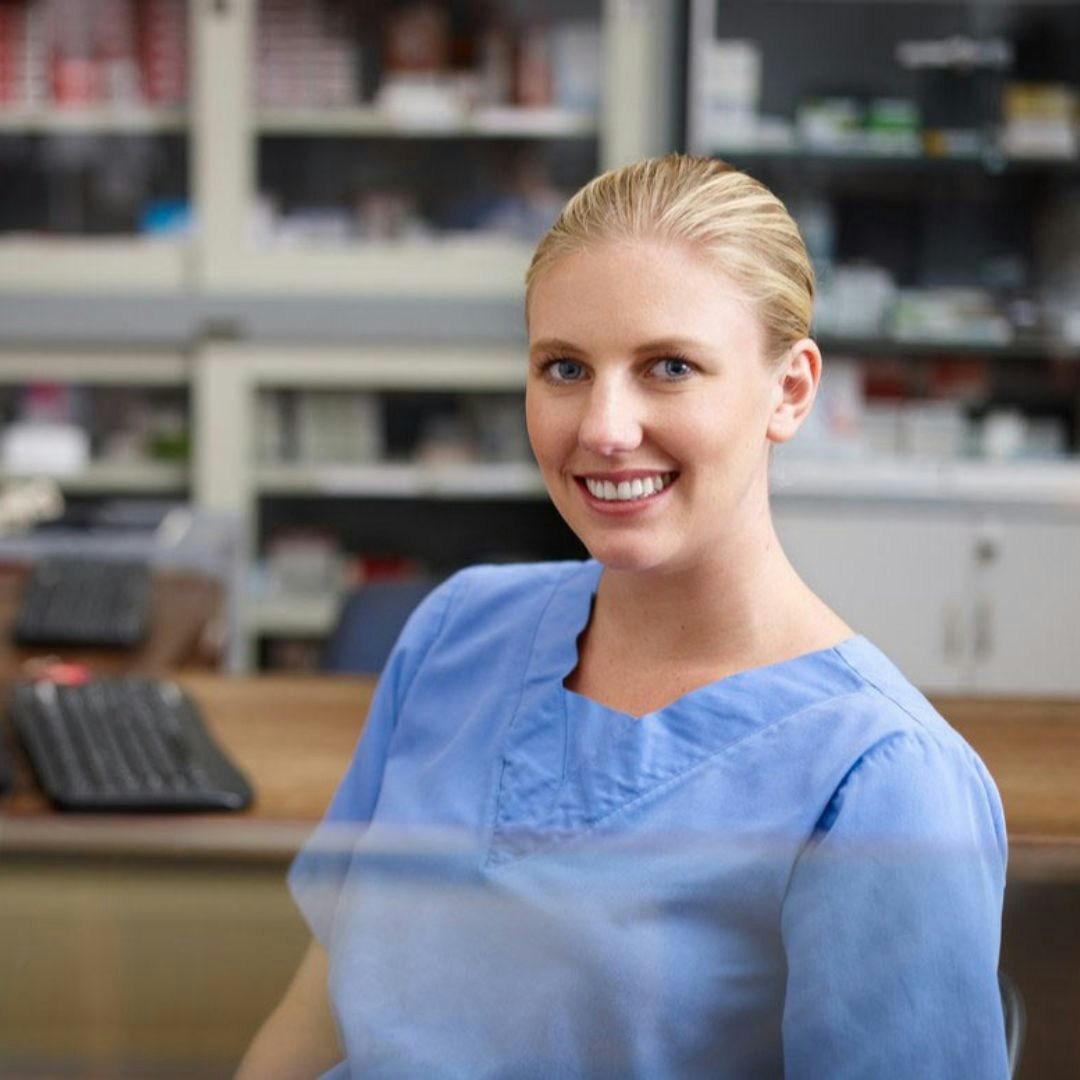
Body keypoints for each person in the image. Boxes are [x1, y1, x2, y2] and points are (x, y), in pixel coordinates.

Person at [237, 154, 1008, 1078]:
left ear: (790, 390)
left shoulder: (881, 783)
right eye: (565, 367)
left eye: (669, 367)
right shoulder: (458, 632)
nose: (603, 427)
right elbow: (322, 999)